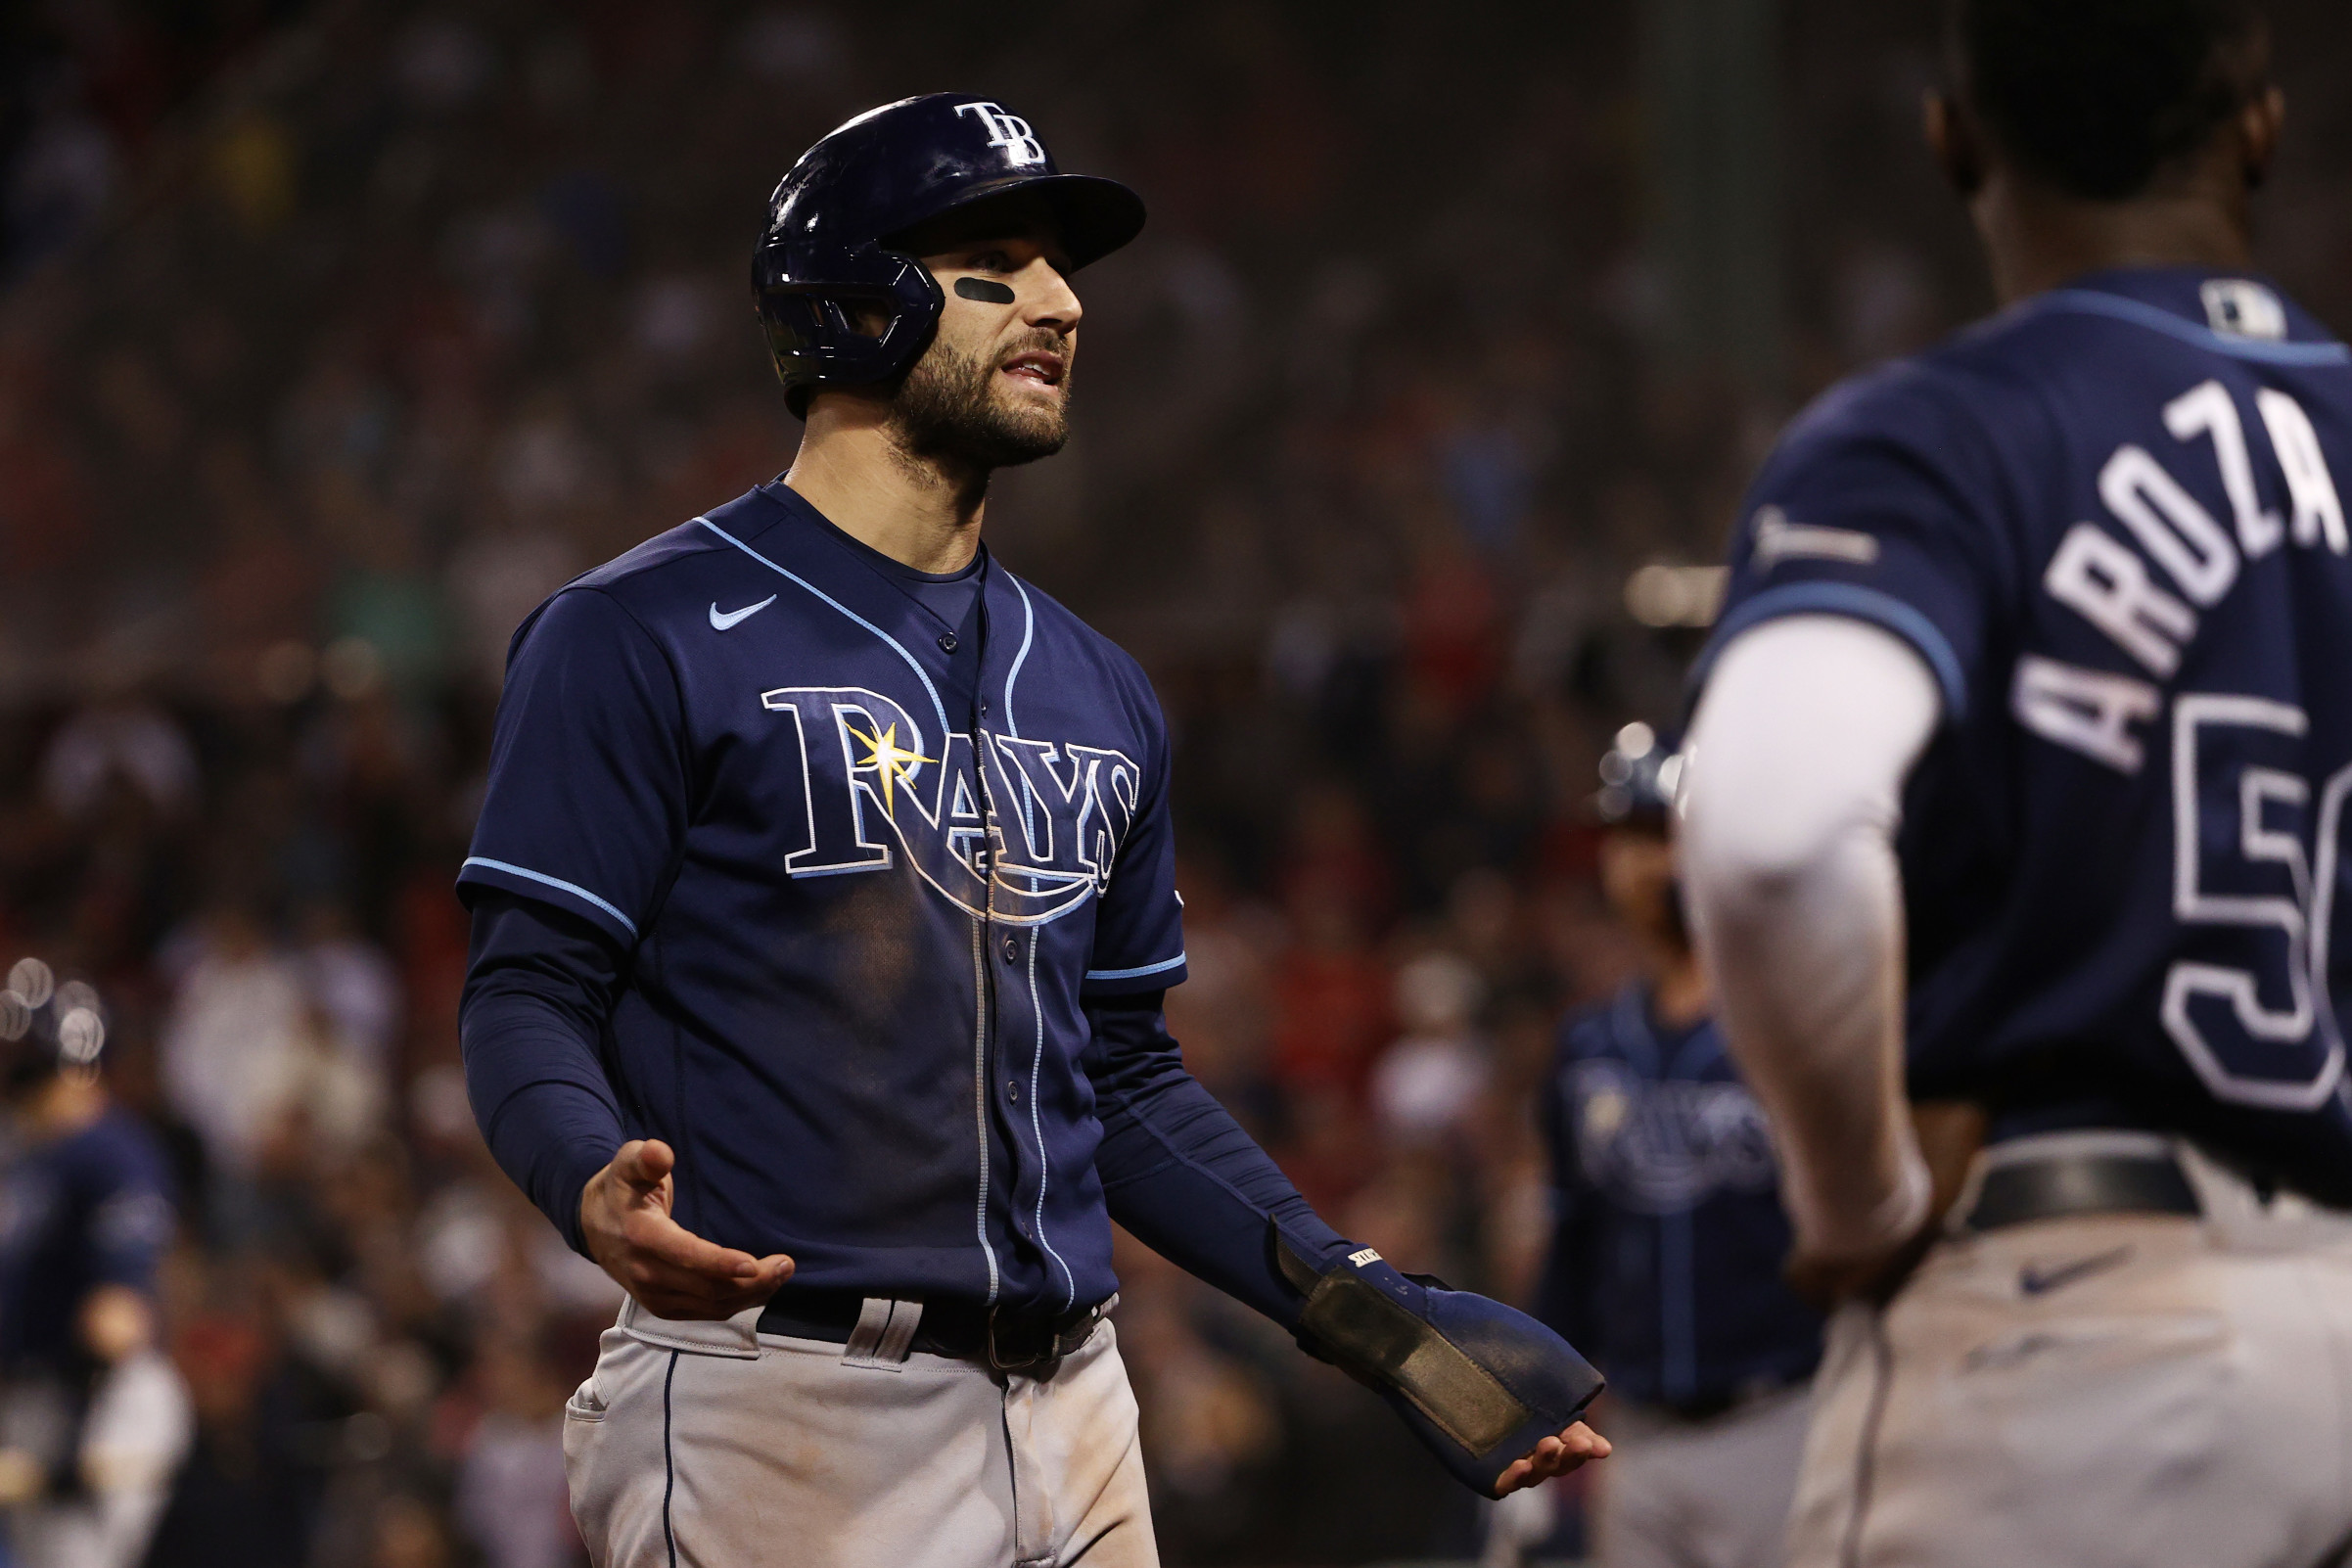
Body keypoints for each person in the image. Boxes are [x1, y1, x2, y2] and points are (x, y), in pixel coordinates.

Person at [455, 94, 1608, 1568]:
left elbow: (1116, 1078)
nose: (1062, 303)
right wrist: (581, 1168)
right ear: (850, 300)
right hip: (788, 1406)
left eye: (1060, 269)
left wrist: (1361, 1303)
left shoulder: (1097, 685)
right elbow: (526, 987)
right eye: (993, 262)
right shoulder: (639, 632)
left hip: (1077, 1403)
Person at [1678, 4, 2352, 1565]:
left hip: (2077, 1341)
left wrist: (1858, 1201)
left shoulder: (1937, 434)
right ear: (2256, 123)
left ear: (1950, 135)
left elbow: (1772, 833)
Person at [1526, 730, 1820, 1568]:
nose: (1649, 862)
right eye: (1629, 837)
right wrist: (1536, 1409)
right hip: (1640, 1437)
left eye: (1669, 834)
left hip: (1785, 1413)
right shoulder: (1589, 1046)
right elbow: (1571, 1248)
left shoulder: (1793, 1023)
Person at [0, 964, 188, 1568]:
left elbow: (118, 1321)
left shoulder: (113, 1153)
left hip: (100, 1401)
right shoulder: (29, 1159)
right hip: (40, 1400)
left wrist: (69, 1448)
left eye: (28, 1073)